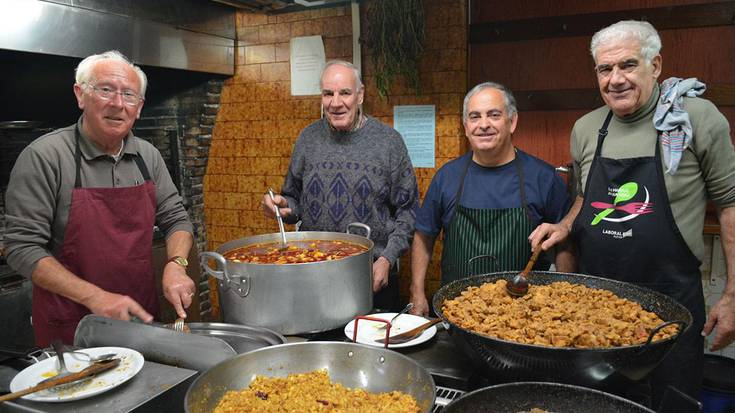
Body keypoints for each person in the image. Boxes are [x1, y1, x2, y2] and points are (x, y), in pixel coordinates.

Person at [530, 21, 735, 405]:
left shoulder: (694, 118)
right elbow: (585, 199)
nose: (615, 79)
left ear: (654, 65)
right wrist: (564, 225)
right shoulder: (587, 128)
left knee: (672, 403)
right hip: (596, 300)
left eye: (627, 65)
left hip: (671, 303)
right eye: (605, 69)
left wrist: (733, 295)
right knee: (595, 403)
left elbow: (729, 204)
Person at [4, 50, 196, 346]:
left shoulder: (148, 156)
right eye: (106, 90)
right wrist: (96, 297)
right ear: (80, 95)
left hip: (139, 314)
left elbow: (176, 218)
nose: (118, 103)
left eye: (129, 95)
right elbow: (21, 247)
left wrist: (176, 263)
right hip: (72, 326)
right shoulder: (45, 156)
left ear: (139, 107)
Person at [263, 60, 419, 312]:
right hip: (314, 276)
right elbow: (294, 201)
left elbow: (408, 212)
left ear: (360, 95)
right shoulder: (307, 138)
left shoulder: (389, 142)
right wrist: (281, 206)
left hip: (372, 277)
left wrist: (387, 259)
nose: (336, 103)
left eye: (345, 93)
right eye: (328, 94)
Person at [409, 82, 573, 316]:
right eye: (475, 117)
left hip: (524, 318)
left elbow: (564, 245)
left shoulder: (543, 177)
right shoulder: (447, 176)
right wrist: (417, 292)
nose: (483, 124)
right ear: (466, 126)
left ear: (512, 121)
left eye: (494, 115)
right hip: (456, 312)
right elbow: (424, 235)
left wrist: (562, 298)